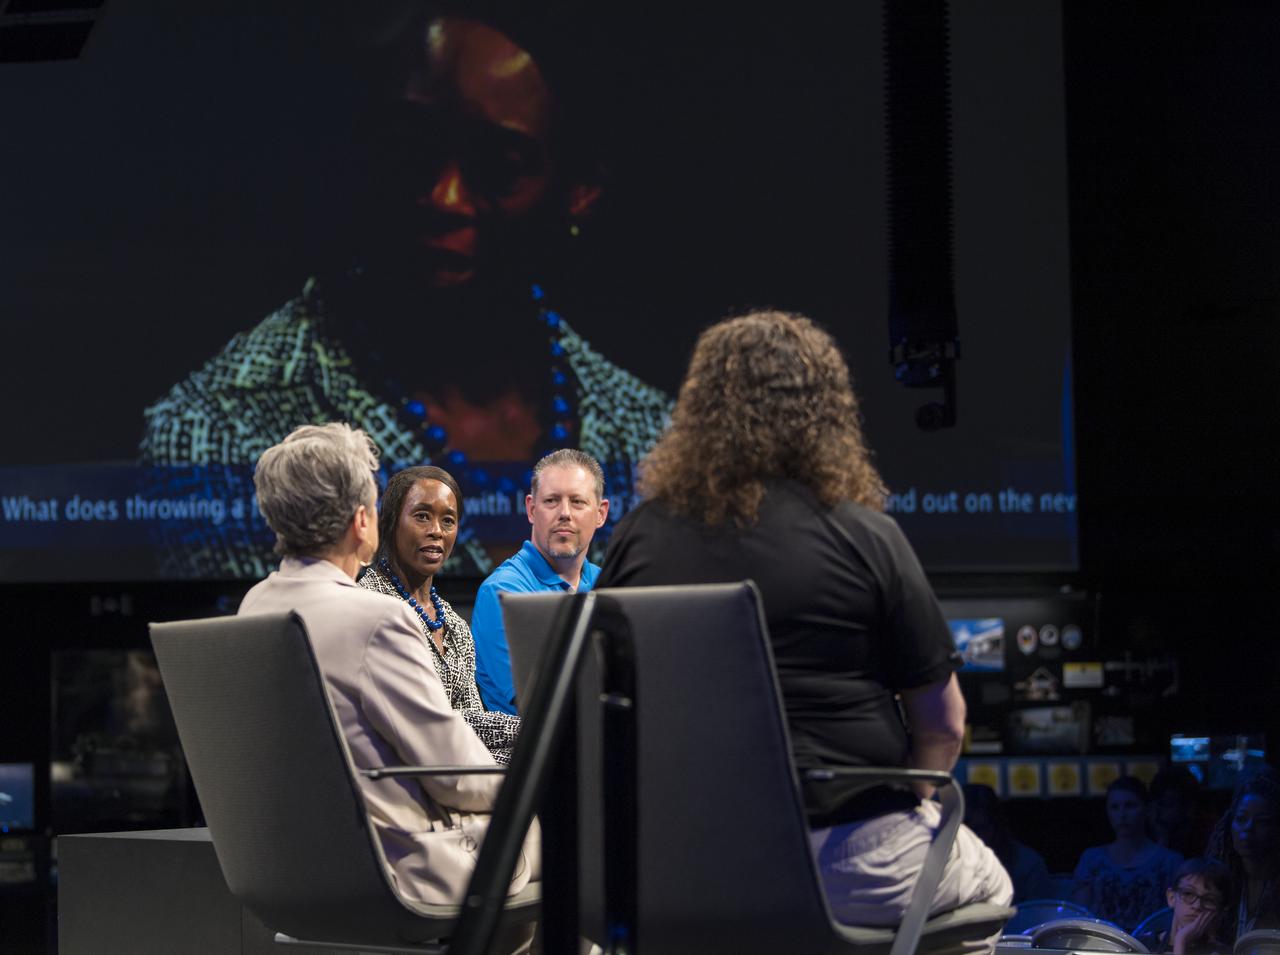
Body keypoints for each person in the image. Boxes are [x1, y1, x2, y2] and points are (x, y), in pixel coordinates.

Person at [139, 6, 671, 578]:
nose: (443, 198)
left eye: (499, 165)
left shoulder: (652, 435)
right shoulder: (221, 433)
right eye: (411, 146)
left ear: (581, 189)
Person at [596, 311, 1012, 932]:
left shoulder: (636, 539)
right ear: (824, 413)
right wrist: (908, 803)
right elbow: (944, 724)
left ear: (699, 412)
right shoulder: (867, 536)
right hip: (850, 858)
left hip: (686, 863)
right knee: (994, 884)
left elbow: (602, 713)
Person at [237, 422, 538, 935]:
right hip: (396, 869)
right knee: (576, 829)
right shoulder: (378, 616)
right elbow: (459, 777)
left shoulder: (254, 606)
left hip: (287, 868)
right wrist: (541, 768)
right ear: (363, 520)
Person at [358, 465, 521, 762]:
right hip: (401, 767)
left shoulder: (455, 626)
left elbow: (471, 718)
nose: (436, 531)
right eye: (422, 516)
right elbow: (426, 722)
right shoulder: (370, 605)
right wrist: (534, 730)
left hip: (455, 759)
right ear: (391, 521)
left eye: (448, 520)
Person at [471, 448, 609, 714]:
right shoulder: (502, 591)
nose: (565, 513)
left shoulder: (608, 583)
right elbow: (540, 703)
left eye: (578, 502)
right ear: (532, 509)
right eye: (552, 501)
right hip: (527, 750)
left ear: (601, 513)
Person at [1072, 776, 1183, 931]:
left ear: (1147, 809)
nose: (1122, 814)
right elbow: (1079, 916)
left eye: (1130, 806)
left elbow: (1175, 917)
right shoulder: (1092, 860)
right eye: (1115, 807)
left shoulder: (1170, 862)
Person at [1207, 767, 1280, 939]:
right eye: (1241, 819)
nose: (1248, 829)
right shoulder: (1217, 881)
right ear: (1229, 823)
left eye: (1262, 822)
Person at [963, 783, 1054, 903]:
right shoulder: (948, 863)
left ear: (996, 824)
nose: (974, 837)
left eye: (980, 828)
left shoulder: (1029, 865)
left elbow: (1038, 916)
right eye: (967, 829)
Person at [1134, 858, 1232, 955]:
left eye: (1209, 900)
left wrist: (1180, 941)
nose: (1197, 906)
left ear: (1220, 911)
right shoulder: (1141, 945)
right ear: (1171, 897)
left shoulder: (1223, 952)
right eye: (1188, 894)